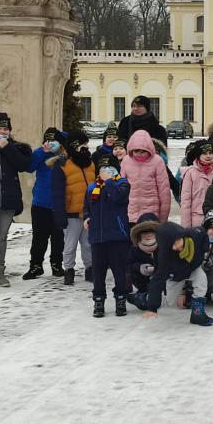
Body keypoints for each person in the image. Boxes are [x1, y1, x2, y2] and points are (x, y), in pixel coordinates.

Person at [83, 155, 131, 318]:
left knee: (119, 270)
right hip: (98, 236)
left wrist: (109, 181)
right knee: (98, 272)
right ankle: (98, 300)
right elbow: (87, 206)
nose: (105, 171)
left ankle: (120, 298)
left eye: (109, 168)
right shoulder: (92, 188)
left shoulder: (122, 184)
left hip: (117, 235)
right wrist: (86, 217)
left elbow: (118, 197)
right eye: (102, 169)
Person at [142, 221, 213, 326]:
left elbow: (203, 233)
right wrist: (152, 308)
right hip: (176, 275)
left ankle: (197, 314)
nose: (177, 246)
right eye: (172, 245)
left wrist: (205, 248)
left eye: (178, 241)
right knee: (169, 302)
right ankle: (144, 299)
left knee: (201, 279)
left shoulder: (195, 235)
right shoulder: (165, 257)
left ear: (183, 235)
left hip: (193, 268)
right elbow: (157, 279)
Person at [50, 130, 95, 286]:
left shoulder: (90, 163)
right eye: (83, 144)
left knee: (88, 243)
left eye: (86, 144)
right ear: (75, 145)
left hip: (88, 213)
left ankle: (90, 269)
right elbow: (56, 192)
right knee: (70, 245)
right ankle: (69, 270)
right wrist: (60, 214)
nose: (85, 147)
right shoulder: (62, 164)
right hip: (71, 212)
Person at [23, 127, 66, 280]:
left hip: (59, 204)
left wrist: (63, 140)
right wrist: (42, 152)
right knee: (39, 237)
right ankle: (36, 265)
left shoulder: (65, 156)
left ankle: (56, 264)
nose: (50, 143)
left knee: (58, 237)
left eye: (54, 140)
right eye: (48, 140)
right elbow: (29, 168)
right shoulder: (39, 153)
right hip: (41, 203)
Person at [0, 112, 31, 287]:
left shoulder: (16, 147)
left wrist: (6, 147)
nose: (3, 132)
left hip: (7, 200)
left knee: (1, 237)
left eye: (6, 129)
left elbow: (23, 165)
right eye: (0, 128)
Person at [120, 130, 170, 225]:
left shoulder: (157, 161)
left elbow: (164, 192)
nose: (139, 154)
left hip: (151, 214)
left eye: (143, 151)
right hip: (130, 214)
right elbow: (121, 188)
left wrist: (163, 219)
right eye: (136, 151)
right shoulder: (126, 161)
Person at [126, 213, 160, 309]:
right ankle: (141, 295)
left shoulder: (163, 248)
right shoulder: (134, 250)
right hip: (142, 282)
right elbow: (127, 266)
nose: (148, 235)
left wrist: (157, 269)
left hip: (162, 283)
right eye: (144, 232)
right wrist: (139, 267)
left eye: (151, 232)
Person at [180, 139, 213, 228]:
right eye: (204, 153)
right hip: (196, 217)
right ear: (198, 155)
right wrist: (186, 227)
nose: (208, 156)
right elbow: (186, 201)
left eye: (210, 153)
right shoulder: (190, 173)